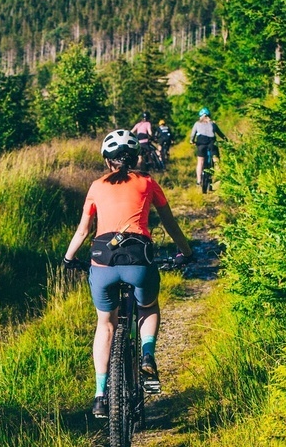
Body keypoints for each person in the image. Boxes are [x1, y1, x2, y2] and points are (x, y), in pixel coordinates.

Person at [62, 130, 193, 418]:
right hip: (139, 259)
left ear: (108, 161)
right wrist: (186, 252)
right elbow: (170, 224)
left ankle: (99, 395)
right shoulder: (147, 182)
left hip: (103, 261)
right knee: (148, 305)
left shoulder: (96, 186)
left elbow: (83, 231)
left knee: (105, 324)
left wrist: (69, 258)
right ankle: (147, 354)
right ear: (134, 158)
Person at [189, 107, 228, 185]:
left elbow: (192, 135)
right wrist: (225, 139)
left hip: (201, 143)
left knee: (200, 161)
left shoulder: (197, 123)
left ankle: (199, 181)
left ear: (200, 116)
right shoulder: (213, 123)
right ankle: (220, 178)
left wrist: (192, 141)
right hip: (212, 142)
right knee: (216, 160)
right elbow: (220, 133)